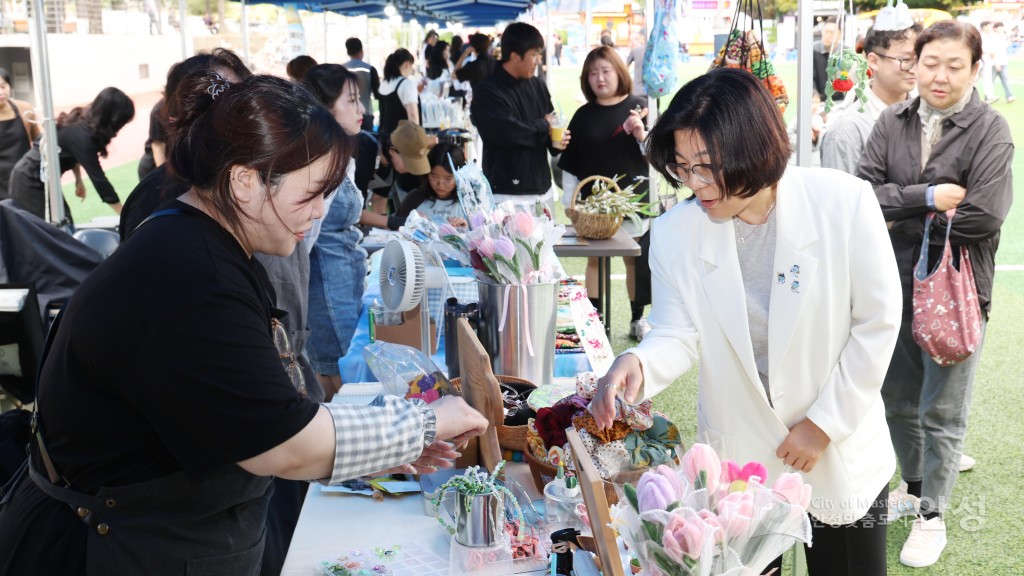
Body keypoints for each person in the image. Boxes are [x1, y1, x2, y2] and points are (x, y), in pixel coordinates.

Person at [0, 72, 488, 575]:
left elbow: (257, 404)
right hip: (105, 550)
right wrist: (426, 421)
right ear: (244, 180)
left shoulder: (203, 245)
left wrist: (384, 447)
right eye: (311, 193)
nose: (320, 211)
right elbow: (282, 442)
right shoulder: (191, 278)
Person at [591, 68, 902, 576]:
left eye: (708, 167)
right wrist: (637, 362)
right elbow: (677, 332)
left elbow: (877, 322)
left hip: (839, 450)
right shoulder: (674, 233)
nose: (694, 184)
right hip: (742, 457)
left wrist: (823, 424)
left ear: (754, 151)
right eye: (683, 166)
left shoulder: (843, 203)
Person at [856, 20, 1014, 568]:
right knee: (897, 400)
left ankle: (933, 515)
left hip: (957, 289)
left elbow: (983, 215)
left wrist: (901, 209)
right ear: (912, 64)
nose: (939, 75)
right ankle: (916, 486)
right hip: (890, 283)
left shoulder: (991, 129)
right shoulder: (891, 120)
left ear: (974, 70)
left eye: (954, 65)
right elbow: (862, 195)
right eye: (930, 63)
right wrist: (928, 196)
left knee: (942, 410)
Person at [301, 63, 397, 395]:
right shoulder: (318, 163)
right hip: (327, 289)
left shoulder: (341, 154)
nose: (363, 110)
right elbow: (302, 242)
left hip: (346, 278)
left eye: (361, 100)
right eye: (352, 101)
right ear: (324, 110)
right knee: (342, 381)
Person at [558, 46, 652, 340]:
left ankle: (638, 318)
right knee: (595, 260)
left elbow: (657, 156)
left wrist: (640, 134)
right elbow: (571, 166)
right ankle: (595, 319)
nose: (599, 78)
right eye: (593, 73)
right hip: (592, 207)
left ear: (619, 72)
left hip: (633, 203)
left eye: (606, 71)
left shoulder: (640, 107)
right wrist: (570, 202)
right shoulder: (583, 115)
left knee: (633, 260)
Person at [119, 48, 253, 241]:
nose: (227, 120)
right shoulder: (152, 199)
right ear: (174, 119)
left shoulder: (262, 177)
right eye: (209, 108)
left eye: (239, 105)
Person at [470, 22, 569, 208]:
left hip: (542, 189)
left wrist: (557, 141)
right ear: (515, 56)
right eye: (534, 54)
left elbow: (551, 124)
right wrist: (543, 125)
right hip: (506, 195)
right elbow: (508, 132)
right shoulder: (487, 91)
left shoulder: (538, 85)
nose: (538, 60)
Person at [8, 87, 134, 223]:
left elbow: (73, 152)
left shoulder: (84, 121)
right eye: (120, 123)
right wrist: (125, 216)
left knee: (63, 223)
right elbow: (100, 181)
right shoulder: (83, 136)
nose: (120, 128)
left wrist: (78, 180)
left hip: (41, 179)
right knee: (49, 230)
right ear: (111, 119)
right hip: (28, 180)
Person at [821, 22, 922, 174]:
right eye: (906, 60)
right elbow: (840, 195)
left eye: (919, 59)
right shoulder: (847, 132)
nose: (915, 68)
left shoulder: (926, 114)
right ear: (873, 61)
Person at [393, 141, 468, 229]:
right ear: (427, 173)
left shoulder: (468, 202)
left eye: (448, 178)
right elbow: (396, 228)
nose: (440, 184)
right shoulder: (415, 199)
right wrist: (411, 222)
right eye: (434, 176)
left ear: (460, 176)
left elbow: (482, 232)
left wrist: (467, 225)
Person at [0, 67, 39, 200]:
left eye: (3, 86)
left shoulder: (24, 108)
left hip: (25, 176)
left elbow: (40, 142)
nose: (1, 92)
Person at [377, 48, 419, 138]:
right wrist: (417, 138)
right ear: (407, 64)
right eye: (412, 66)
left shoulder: (383, 83)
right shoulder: (407, 84)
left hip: (384, 138)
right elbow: (413, 115)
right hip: (402, 140)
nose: (412, 69)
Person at [343, 37, 381, 131]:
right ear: (361, 51)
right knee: (367, 143)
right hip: (366, 113)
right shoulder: (370, 69)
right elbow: (377, 94)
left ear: (348, 52)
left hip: (346, 114)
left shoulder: (341, 69)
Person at [813, 17, 844, 101]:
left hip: (841, 101)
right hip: (818, 101)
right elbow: (810, 78)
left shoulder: (846, 53)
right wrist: (814, 94)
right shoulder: (813, 50)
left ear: (840, 35)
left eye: (831, 33)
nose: (827, 36)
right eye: (825, 31)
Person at [988, 22, 1015, 103]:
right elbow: (992, 52)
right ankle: (988, 96)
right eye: (1000, 27)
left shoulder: (1003, 37)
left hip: (1003, 62)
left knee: (1006, 80)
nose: (1002, 29)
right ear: (995, 28)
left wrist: (1007, 36)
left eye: (1002, 27)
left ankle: (1009, 96)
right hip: (994, 63)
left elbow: (1007, 46)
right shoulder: (992, 37)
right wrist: (996, 63)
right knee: (990, 81)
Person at [626, 32, 647, 96]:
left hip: (637, 90)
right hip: (653, 90)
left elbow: (625, 67)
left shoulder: (635, 50)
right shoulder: (654, 51)